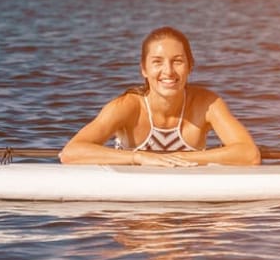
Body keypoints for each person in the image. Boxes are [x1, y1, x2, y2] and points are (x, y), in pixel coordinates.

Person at [59, 27, 260, 167]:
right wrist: (139, 158)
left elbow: (249, 154)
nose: (168, 71)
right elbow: (71, 152)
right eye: (157, 62)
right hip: (134, 212)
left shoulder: (207, 104)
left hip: (187, 210)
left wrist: (183, 157)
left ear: (190, 66)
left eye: (178, 61)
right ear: (144, 70)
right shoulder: (127, 106)